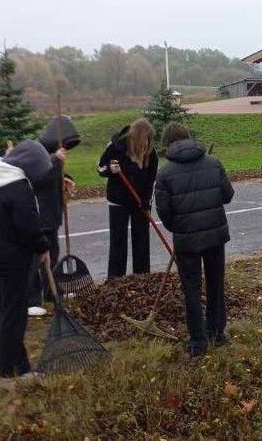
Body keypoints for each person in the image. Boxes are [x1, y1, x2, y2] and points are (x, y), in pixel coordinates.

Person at [154, 122, 234, 357]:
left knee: (191, 288)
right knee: (215, 284)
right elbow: (228, 196)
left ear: (168, 144)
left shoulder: (165, 173)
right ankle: (217, 333)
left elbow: (164, 212)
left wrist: (178, 227)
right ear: (189, 137)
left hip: (186, 240)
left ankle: (198, 342)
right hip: (215, 235)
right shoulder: (214, 163)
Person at [0, 139, 52, 381]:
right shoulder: (19, 189)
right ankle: (13, 370)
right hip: (12, 259)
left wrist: (8, 157)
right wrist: (43, 247)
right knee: (14, 311)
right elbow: (28, 227)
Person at [27, 115, 81, 317]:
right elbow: (37, 177)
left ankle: (52, 292)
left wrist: (66, 179)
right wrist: (55, 161)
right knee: (35, 259)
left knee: (53, 256)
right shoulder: (39, 154)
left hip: (52, 216)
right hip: (39, 216)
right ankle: (32, 299)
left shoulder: (52, 156)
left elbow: (54, 177)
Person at [98, 117, 158, 277]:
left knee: (142, 240)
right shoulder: (116, 148)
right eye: (144, 139)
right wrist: (111, 169)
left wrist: (146, 201)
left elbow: (151, 180)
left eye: (149, 140)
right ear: (135, 137)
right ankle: (115, 279)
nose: (146, 144)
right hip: (118, 201)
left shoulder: (152, 153)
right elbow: (100, 169)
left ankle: (143, 277)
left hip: (140, 202)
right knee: (118, 241)